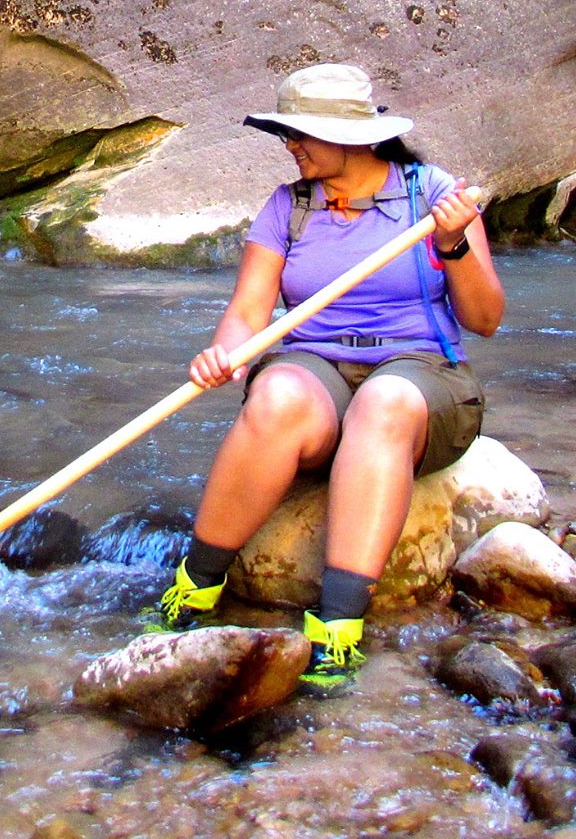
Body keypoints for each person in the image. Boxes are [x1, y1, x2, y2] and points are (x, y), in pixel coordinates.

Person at [152, 63, 504, 694]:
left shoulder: (434, 196)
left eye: (302, 134)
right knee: (277, 394)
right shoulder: (288, 205)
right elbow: (248, 313)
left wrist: (452, 246)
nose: (290, 145)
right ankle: (195, 586)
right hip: (316, 366)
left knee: (384, 403)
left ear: (357, 140)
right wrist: (223, 354)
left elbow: (484, 319)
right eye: (287, 133)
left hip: (421, 373)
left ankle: (338, 628)